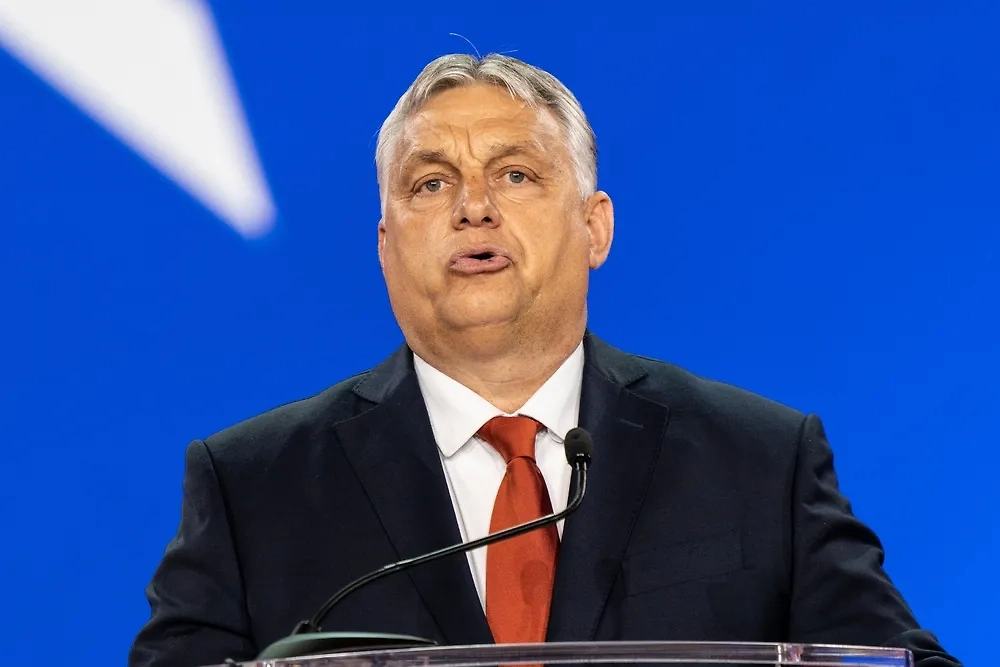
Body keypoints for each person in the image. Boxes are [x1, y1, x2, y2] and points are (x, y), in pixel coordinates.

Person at [128, 53, 960, 667]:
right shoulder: (254, 485)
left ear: (595, 227)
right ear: (385, 247)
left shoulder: (760, 460)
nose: (474, 208)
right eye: (430, 184)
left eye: (517, 174)